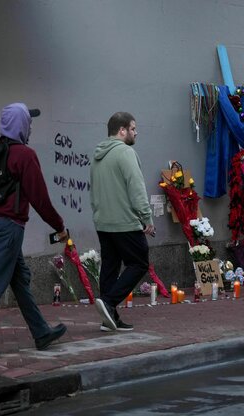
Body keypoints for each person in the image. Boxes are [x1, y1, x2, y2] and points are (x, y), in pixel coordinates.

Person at [0, 103, 68, 360]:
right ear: (21, 125)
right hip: (10, 227)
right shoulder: (24, 155)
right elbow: (40, 198)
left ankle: (41, 332)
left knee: (19, 281)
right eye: (28, 122)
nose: (30, 126)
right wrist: (59, 226)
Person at [90, 112, 155, 332]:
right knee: (139, 263)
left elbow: (93, 190)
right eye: (133, 129)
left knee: (110, 267)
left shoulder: (98, 155)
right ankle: (109, 303)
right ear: (122, 130)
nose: (136, 133)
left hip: (103, 222)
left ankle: (109, 319)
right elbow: (136, 189)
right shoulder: (126, 153)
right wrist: (146, 217)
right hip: (125, 222)